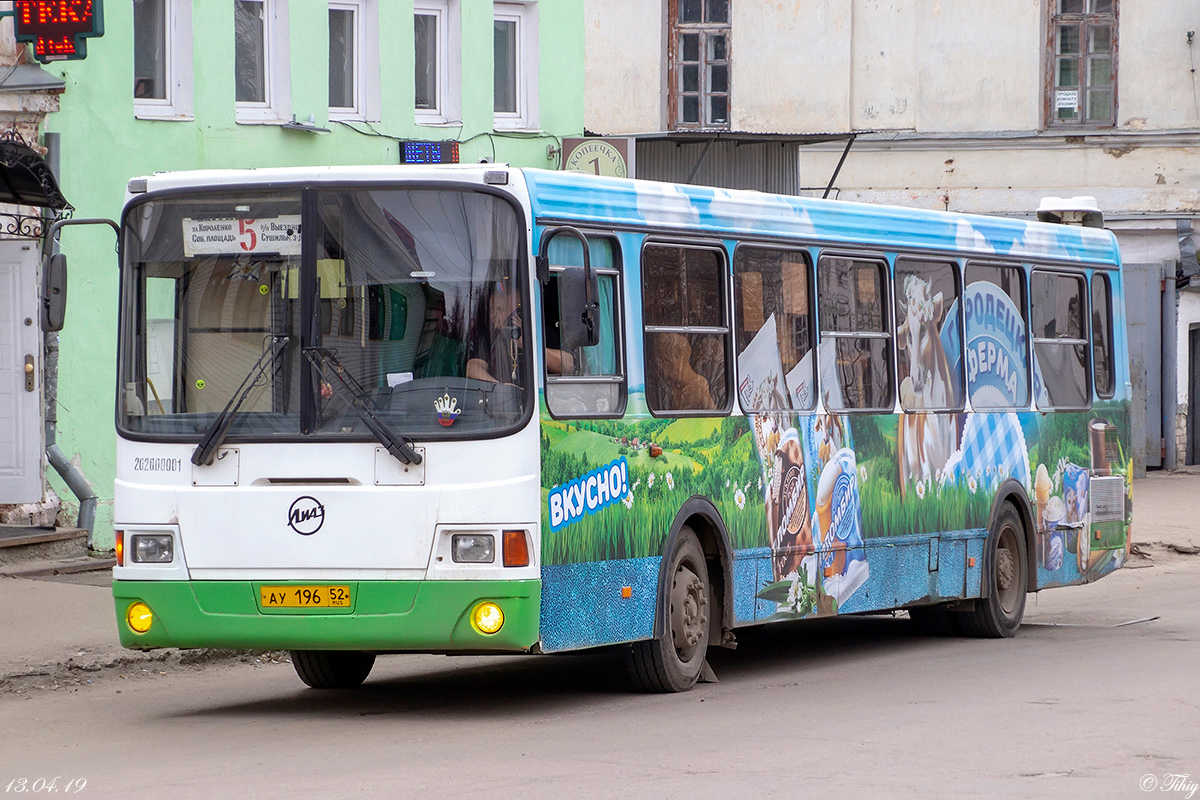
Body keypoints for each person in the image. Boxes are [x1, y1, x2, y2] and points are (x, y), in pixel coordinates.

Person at [466, 279, 573, 384]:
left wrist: (527, 344)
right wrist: (500, 388)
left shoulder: (542, 333)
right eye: (491, 309)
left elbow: (567, 366)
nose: (493, 314)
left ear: (518, 313)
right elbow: (473, 367)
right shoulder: (487, 336)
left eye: (499, 309)